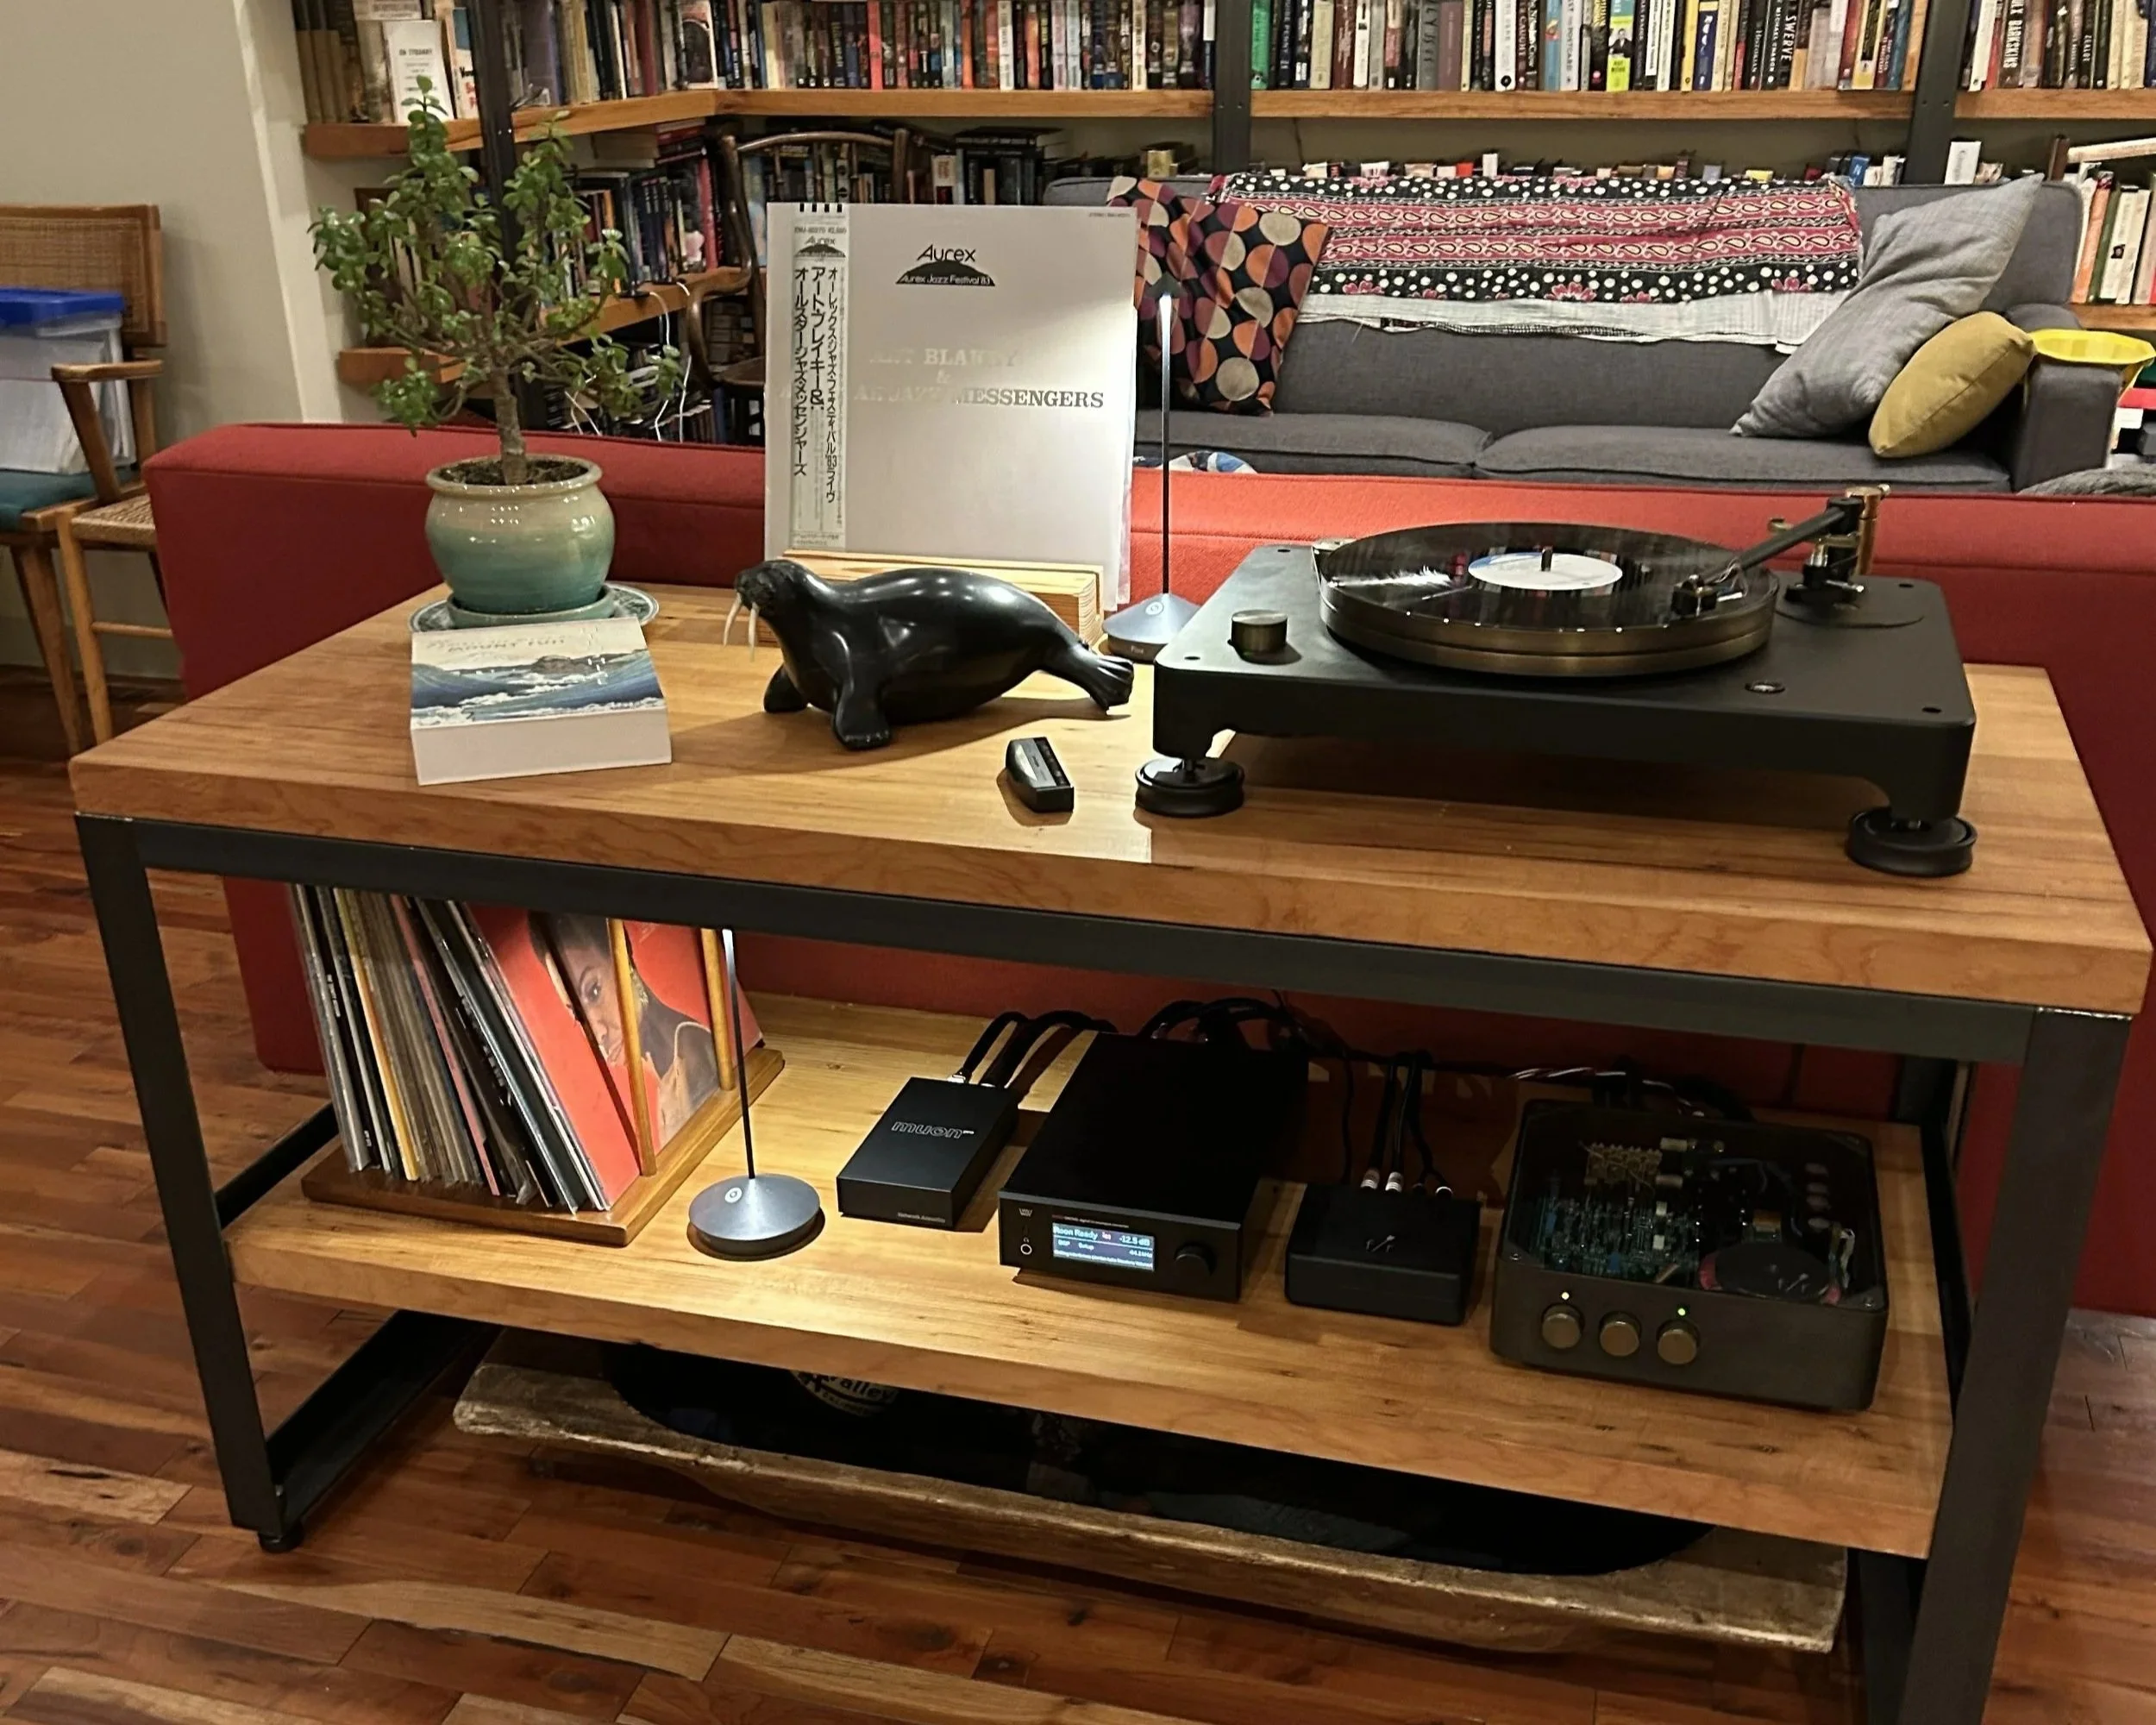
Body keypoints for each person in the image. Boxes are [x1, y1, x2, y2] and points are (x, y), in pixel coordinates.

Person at [542, 914, 720, 1144]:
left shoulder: (689, 1057)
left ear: (623, 958)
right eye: (578, 1013)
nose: (598, 1032)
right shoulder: (665, 1072)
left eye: (594, 991)